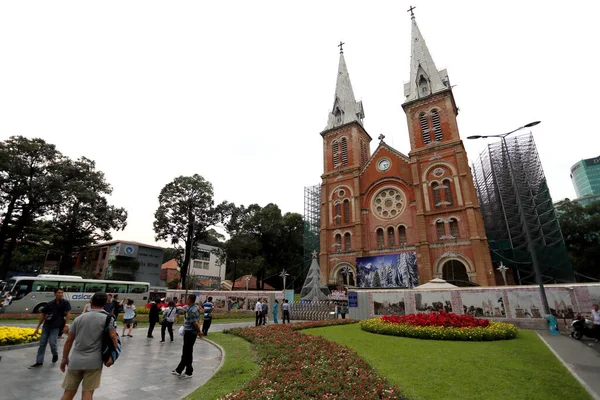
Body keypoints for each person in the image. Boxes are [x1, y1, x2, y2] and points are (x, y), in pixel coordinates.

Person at [59, 292, 117, 400]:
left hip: (75, 360)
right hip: (94, 361)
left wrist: (64, 358)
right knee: (87, 393)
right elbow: (113, 337)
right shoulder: (108, 318)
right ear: (106, 302)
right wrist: (112, 356)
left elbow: (69, 341)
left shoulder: (79, 319)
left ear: (90, 302)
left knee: (68, 393)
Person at [30, 288, 72, 368]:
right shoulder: (49, 304)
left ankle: (55, 354)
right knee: (42, 343)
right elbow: (43, 314)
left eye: (62, 293)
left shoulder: (65, 303)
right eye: (59, 293)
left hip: (56, 326)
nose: (60, 294)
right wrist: (38, 327)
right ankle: (39, 361)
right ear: (55, 294)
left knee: (53, 342)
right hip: (47, 325)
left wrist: (66, 325)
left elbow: (68, 314)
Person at [172, 294, 202, 379]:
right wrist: (178, 307)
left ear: (190, 300)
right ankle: (181, 370)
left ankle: (188, 372)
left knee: (187, 352)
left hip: (191, 333)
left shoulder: (192, 310)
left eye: (187, 299)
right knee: (187, 352)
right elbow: (181, 309)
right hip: (189, 332)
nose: (186, 301)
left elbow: (195, 323)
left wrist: (199, 332)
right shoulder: (193, 307)